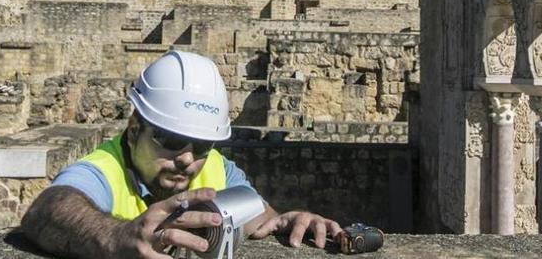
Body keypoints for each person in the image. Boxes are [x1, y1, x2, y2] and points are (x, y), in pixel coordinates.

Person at [21, 50, 341, 259]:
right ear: (134, 131)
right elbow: (46, 210)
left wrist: (286, 220)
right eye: (171, 139)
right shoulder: (104, 168)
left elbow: (259, 216)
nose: (188, 158)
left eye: (201, 145)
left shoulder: (216, 168)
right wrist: (115, 236)